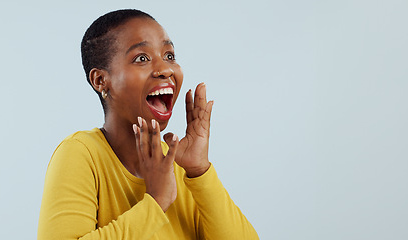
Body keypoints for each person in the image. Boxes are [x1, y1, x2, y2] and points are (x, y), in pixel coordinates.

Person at [37, 9, 258, 239]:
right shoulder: (80, 154)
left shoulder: (179, 165)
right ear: (101, 80)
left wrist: (199, 171)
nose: (165, 69)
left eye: (169, 56)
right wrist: (156, 201)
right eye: (142, 58)